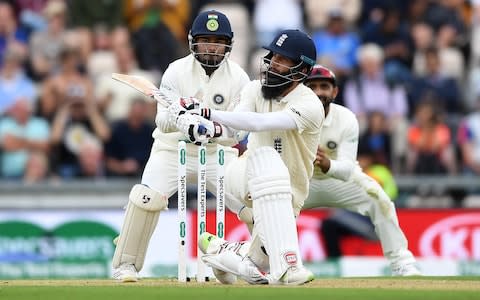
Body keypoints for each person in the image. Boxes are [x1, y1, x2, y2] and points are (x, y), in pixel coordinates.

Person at [175, 29, 322, 285]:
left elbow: (261, 123)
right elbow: (235, 130)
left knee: (260, 261)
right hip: (243, 175)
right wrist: (207, 128)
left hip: (288, 194)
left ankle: (220, 253)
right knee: (267, 159)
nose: (273, 62)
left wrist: (209, 113)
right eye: (273, 56)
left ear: (301, 68)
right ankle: (290, 267)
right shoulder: (255, 90)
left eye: (282, 59)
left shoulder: (310, 105)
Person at [111, 10, 250, 282]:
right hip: (173, 151)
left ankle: (241, 262)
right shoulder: (176, 70)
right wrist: (182, 121)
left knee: (252, 204)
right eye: (205, 40)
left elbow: (239, 130)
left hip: (217, 154)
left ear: (228, 44)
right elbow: (162, 120)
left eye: (218, 41)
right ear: (192, 41)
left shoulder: (239, 79)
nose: (211, 46)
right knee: (145, 198)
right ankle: (126, 265)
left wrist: (212, 129)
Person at [300, 65, 421, 276]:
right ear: (303, 91)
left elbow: (347, 169)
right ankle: (264, 263)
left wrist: (327, 164)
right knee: (267, 203)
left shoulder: (346, 118)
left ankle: (402, 263)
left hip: (338, 179)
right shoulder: (292, 117)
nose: (318, 92)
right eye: (312, 87)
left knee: (379, 199)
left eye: (324, 87)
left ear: (335, 92)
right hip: (302, 181)